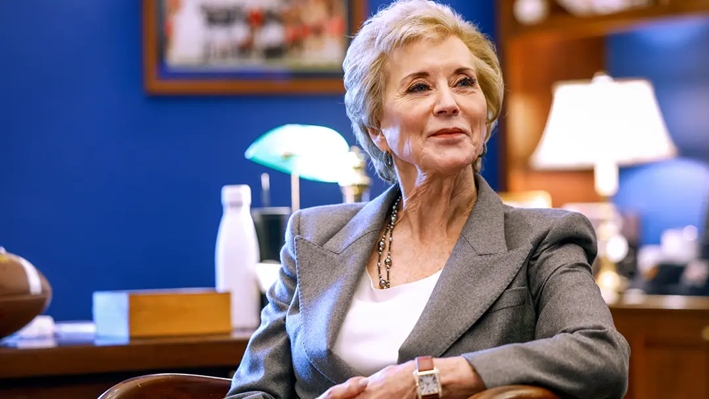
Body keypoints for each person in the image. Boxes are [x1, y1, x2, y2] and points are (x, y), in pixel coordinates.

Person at [226, 1, 630, 398]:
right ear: (376, 130)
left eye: (464, 82)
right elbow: (251, 389)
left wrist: (431, 378)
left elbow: (600, 354)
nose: (449, 103)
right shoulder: (311, 236)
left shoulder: (542, 239)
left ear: (484, 118)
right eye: (420, 87)